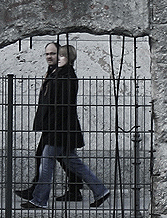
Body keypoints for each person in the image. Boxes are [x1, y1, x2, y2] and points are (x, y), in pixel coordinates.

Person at [22, 44, 110, 209]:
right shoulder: (59, 74)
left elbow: (62, 106)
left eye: (61, 56)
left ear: (68, 59)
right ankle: (101, 190)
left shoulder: (67, 76)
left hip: (59, 129)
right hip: (59, 129)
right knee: (74, 163)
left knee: (46, 162)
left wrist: (52, 127)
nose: (57, 59)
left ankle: (40, 200)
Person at [14, 42, 83, 202]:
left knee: (50, 156)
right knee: (64, 158)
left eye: (53, 53)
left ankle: (38, 191)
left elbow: (62, 104)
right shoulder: (52, 72)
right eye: (47, 54)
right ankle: (74, 189)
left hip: (59, 126)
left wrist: (51, 122)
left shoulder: (63, 74)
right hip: (53, 125)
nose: (49, 57)